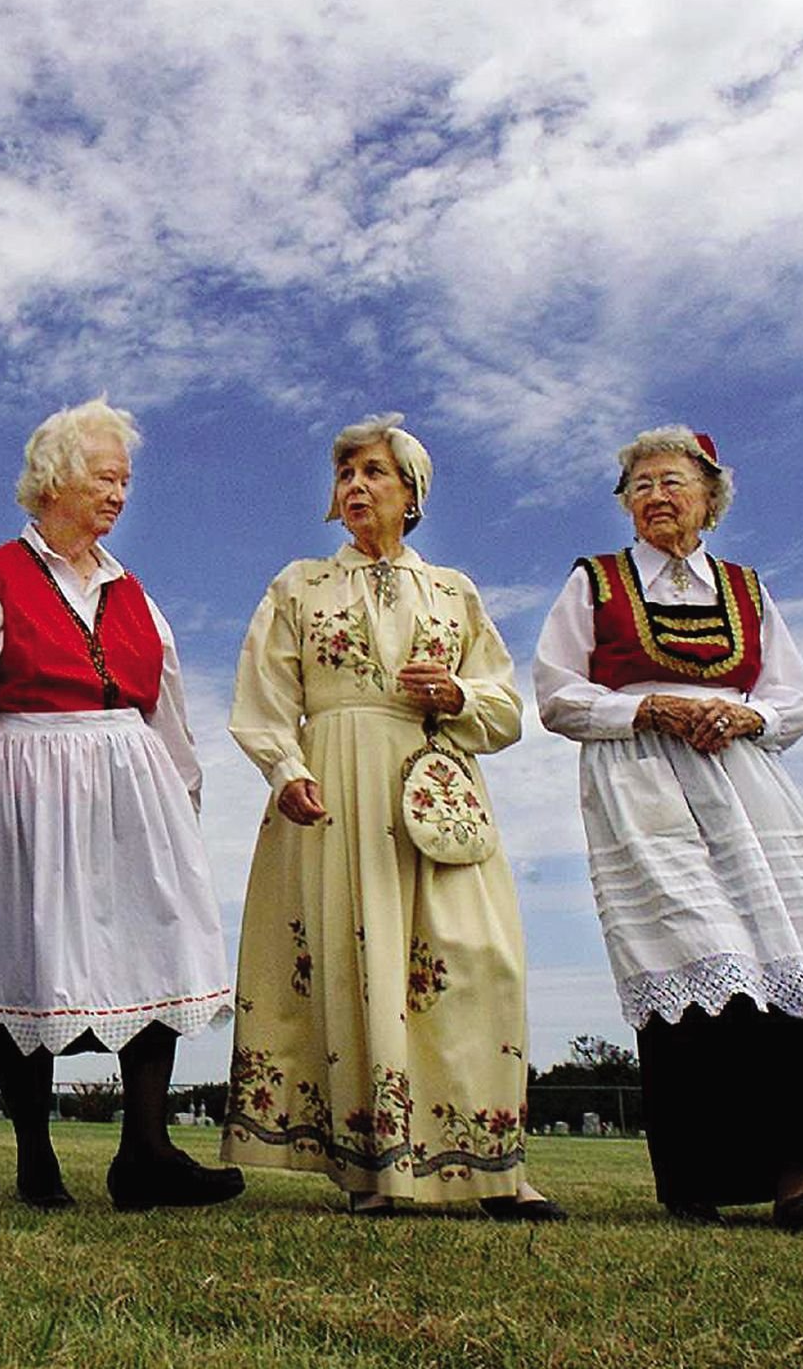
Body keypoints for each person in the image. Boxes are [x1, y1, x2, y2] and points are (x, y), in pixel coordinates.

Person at [534, 425, 803, 1228]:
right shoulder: (595, 583)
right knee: (691, 953)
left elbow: (799, 696)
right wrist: (650, 706)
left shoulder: (744, 587)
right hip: (641, 780)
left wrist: (745, 716)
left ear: (710, 497)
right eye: (639, 486)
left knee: (787, 950)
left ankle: (799, 1178)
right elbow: (557, 694)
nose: (655, 497)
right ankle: (702, 1174)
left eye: (671, 482)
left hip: (745, 785)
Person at [222, 414, 562, 1220]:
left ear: (413, 494)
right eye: (345, 475)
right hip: (337, 787)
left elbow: (506, 707)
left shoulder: (454, 591)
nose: (355, 487)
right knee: (358, 966)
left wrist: (457, 696)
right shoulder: (298, 584)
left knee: (476, 962)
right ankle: (378, 1167)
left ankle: (490, 1164)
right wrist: (286, 769)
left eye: (374, 472)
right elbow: (264, 698)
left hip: (437, 786)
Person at [0, 396, 243, 1211]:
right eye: (105, 476)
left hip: (133, 787)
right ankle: (36, 1158)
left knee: (158, 942)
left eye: (125, 480)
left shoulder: (137, 595)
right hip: (30, 782)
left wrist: (183, 807)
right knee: (31, 953)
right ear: (56, 479)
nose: (120, 493)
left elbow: (168, 711)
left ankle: (146, 1152)